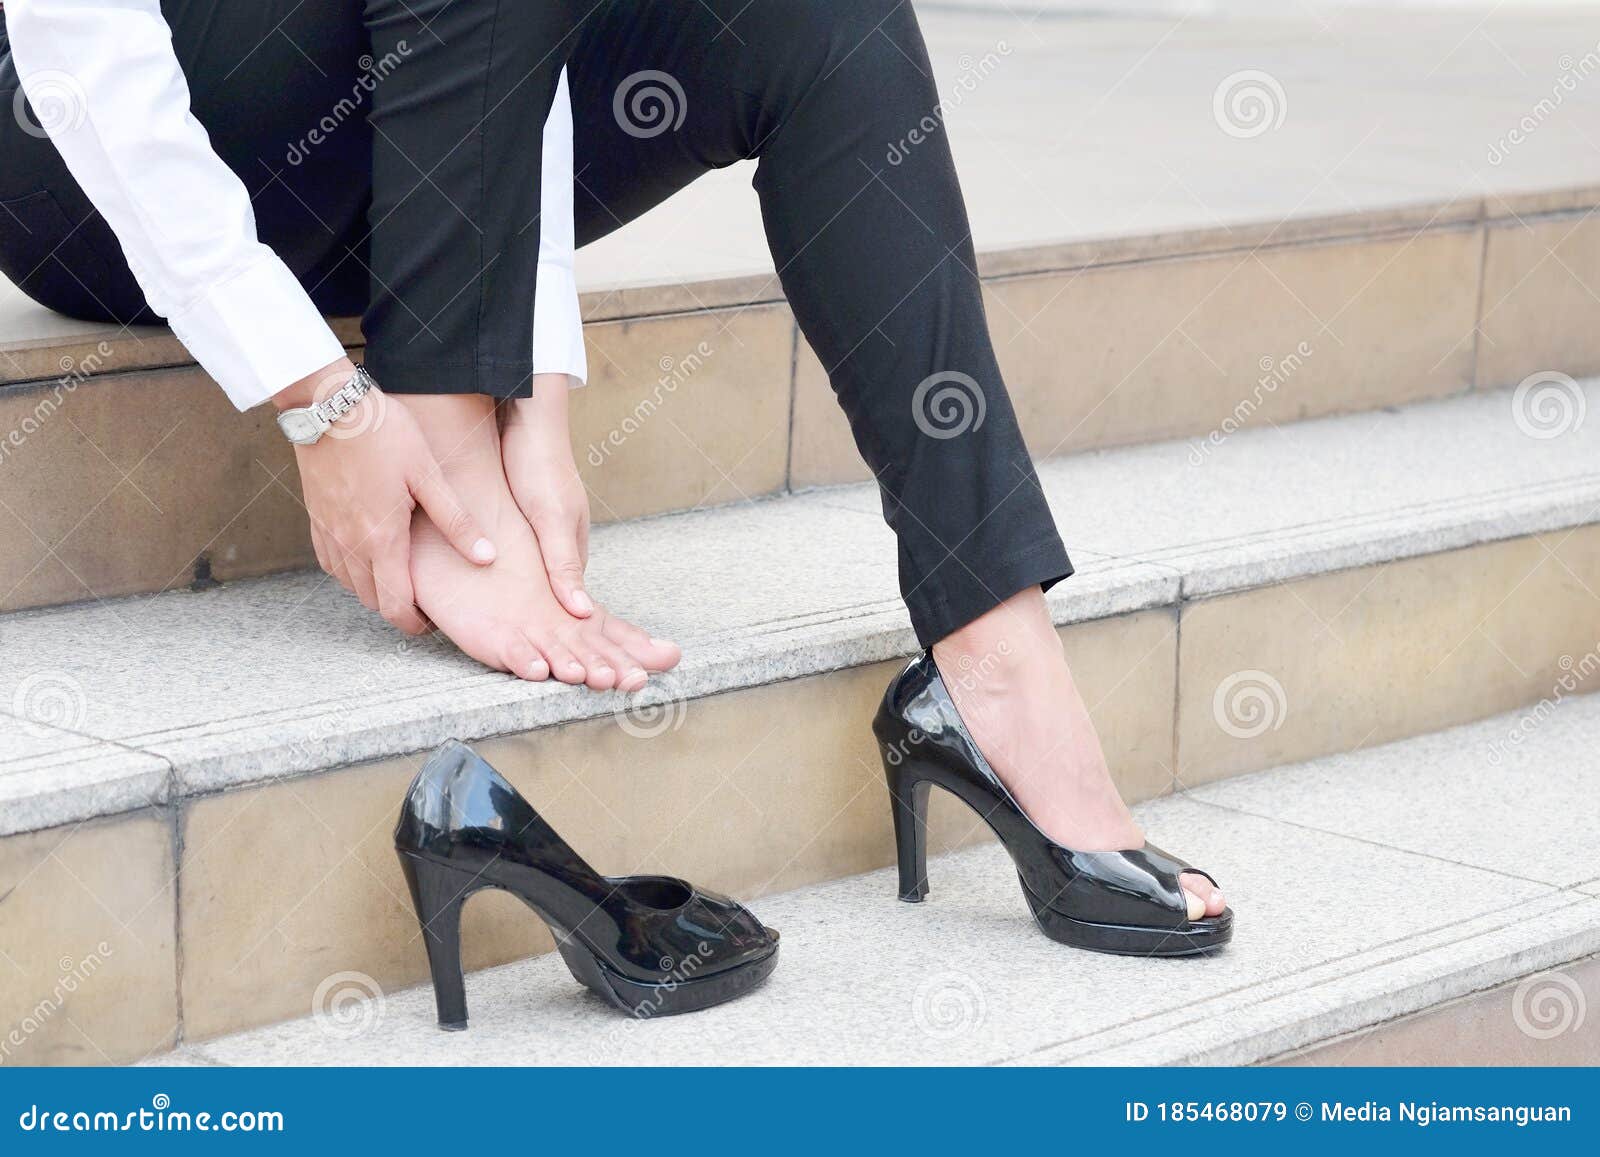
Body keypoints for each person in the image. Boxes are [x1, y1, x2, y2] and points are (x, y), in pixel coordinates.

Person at [0, 0, 1228, 947]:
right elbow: (88, 66)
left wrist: (531, 375)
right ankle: (454, 481)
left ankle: (996, 656)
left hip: (385, 154)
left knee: (821, 19)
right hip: (103, 180)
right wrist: (321, 399)